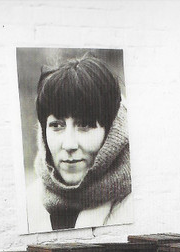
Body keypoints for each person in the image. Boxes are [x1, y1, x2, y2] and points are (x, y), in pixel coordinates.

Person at [27, 55, 132, 231]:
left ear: (112, 132)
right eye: (57, 125)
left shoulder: (136, 204)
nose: (69, 145)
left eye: (85, 125)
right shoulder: (28, 203)